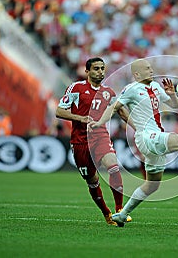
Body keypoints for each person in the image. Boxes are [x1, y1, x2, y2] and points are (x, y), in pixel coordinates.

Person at [88, 58, 178, 226]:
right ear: (137, 74)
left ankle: (123, 214)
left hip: (155, 135)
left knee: (152, 185)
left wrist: (172, 94)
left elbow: (174, 105)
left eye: (151, 68)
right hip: (145, 136)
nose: (151, 70)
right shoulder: (131, 89)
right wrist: (99, 122)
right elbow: (113, 108)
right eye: (147, 68)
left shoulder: (156, 86)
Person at [56, 57, 132, 226]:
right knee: (92, 181)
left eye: (102, 68)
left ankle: (120, 210)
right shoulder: (76, 88)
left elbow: (121, 111)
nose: (100, 72)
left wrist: (138, 126)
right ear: (87, 71)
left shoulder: (109, 93)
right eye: (96, 69)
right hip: (80, 141)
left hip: (100, 137)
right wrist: (80, 118)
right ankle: (107, 213)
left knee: (113, 166)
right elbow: (60, 111)